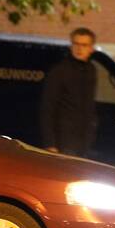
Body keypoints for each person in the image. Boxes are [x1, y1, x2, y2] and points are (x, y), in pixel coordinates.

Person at [40, 27, 97, 157]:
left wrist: (91, 134)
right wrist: (50, 143)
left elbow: (89, 105)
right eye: (76, 44)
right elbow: (47, 108)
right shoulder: (59, 71)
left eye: (84, 45)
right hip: (63, 140)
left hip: (84, 142)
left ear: (91, 48)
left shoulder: (91, 70)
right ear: (71, 46)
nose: (79, 49)